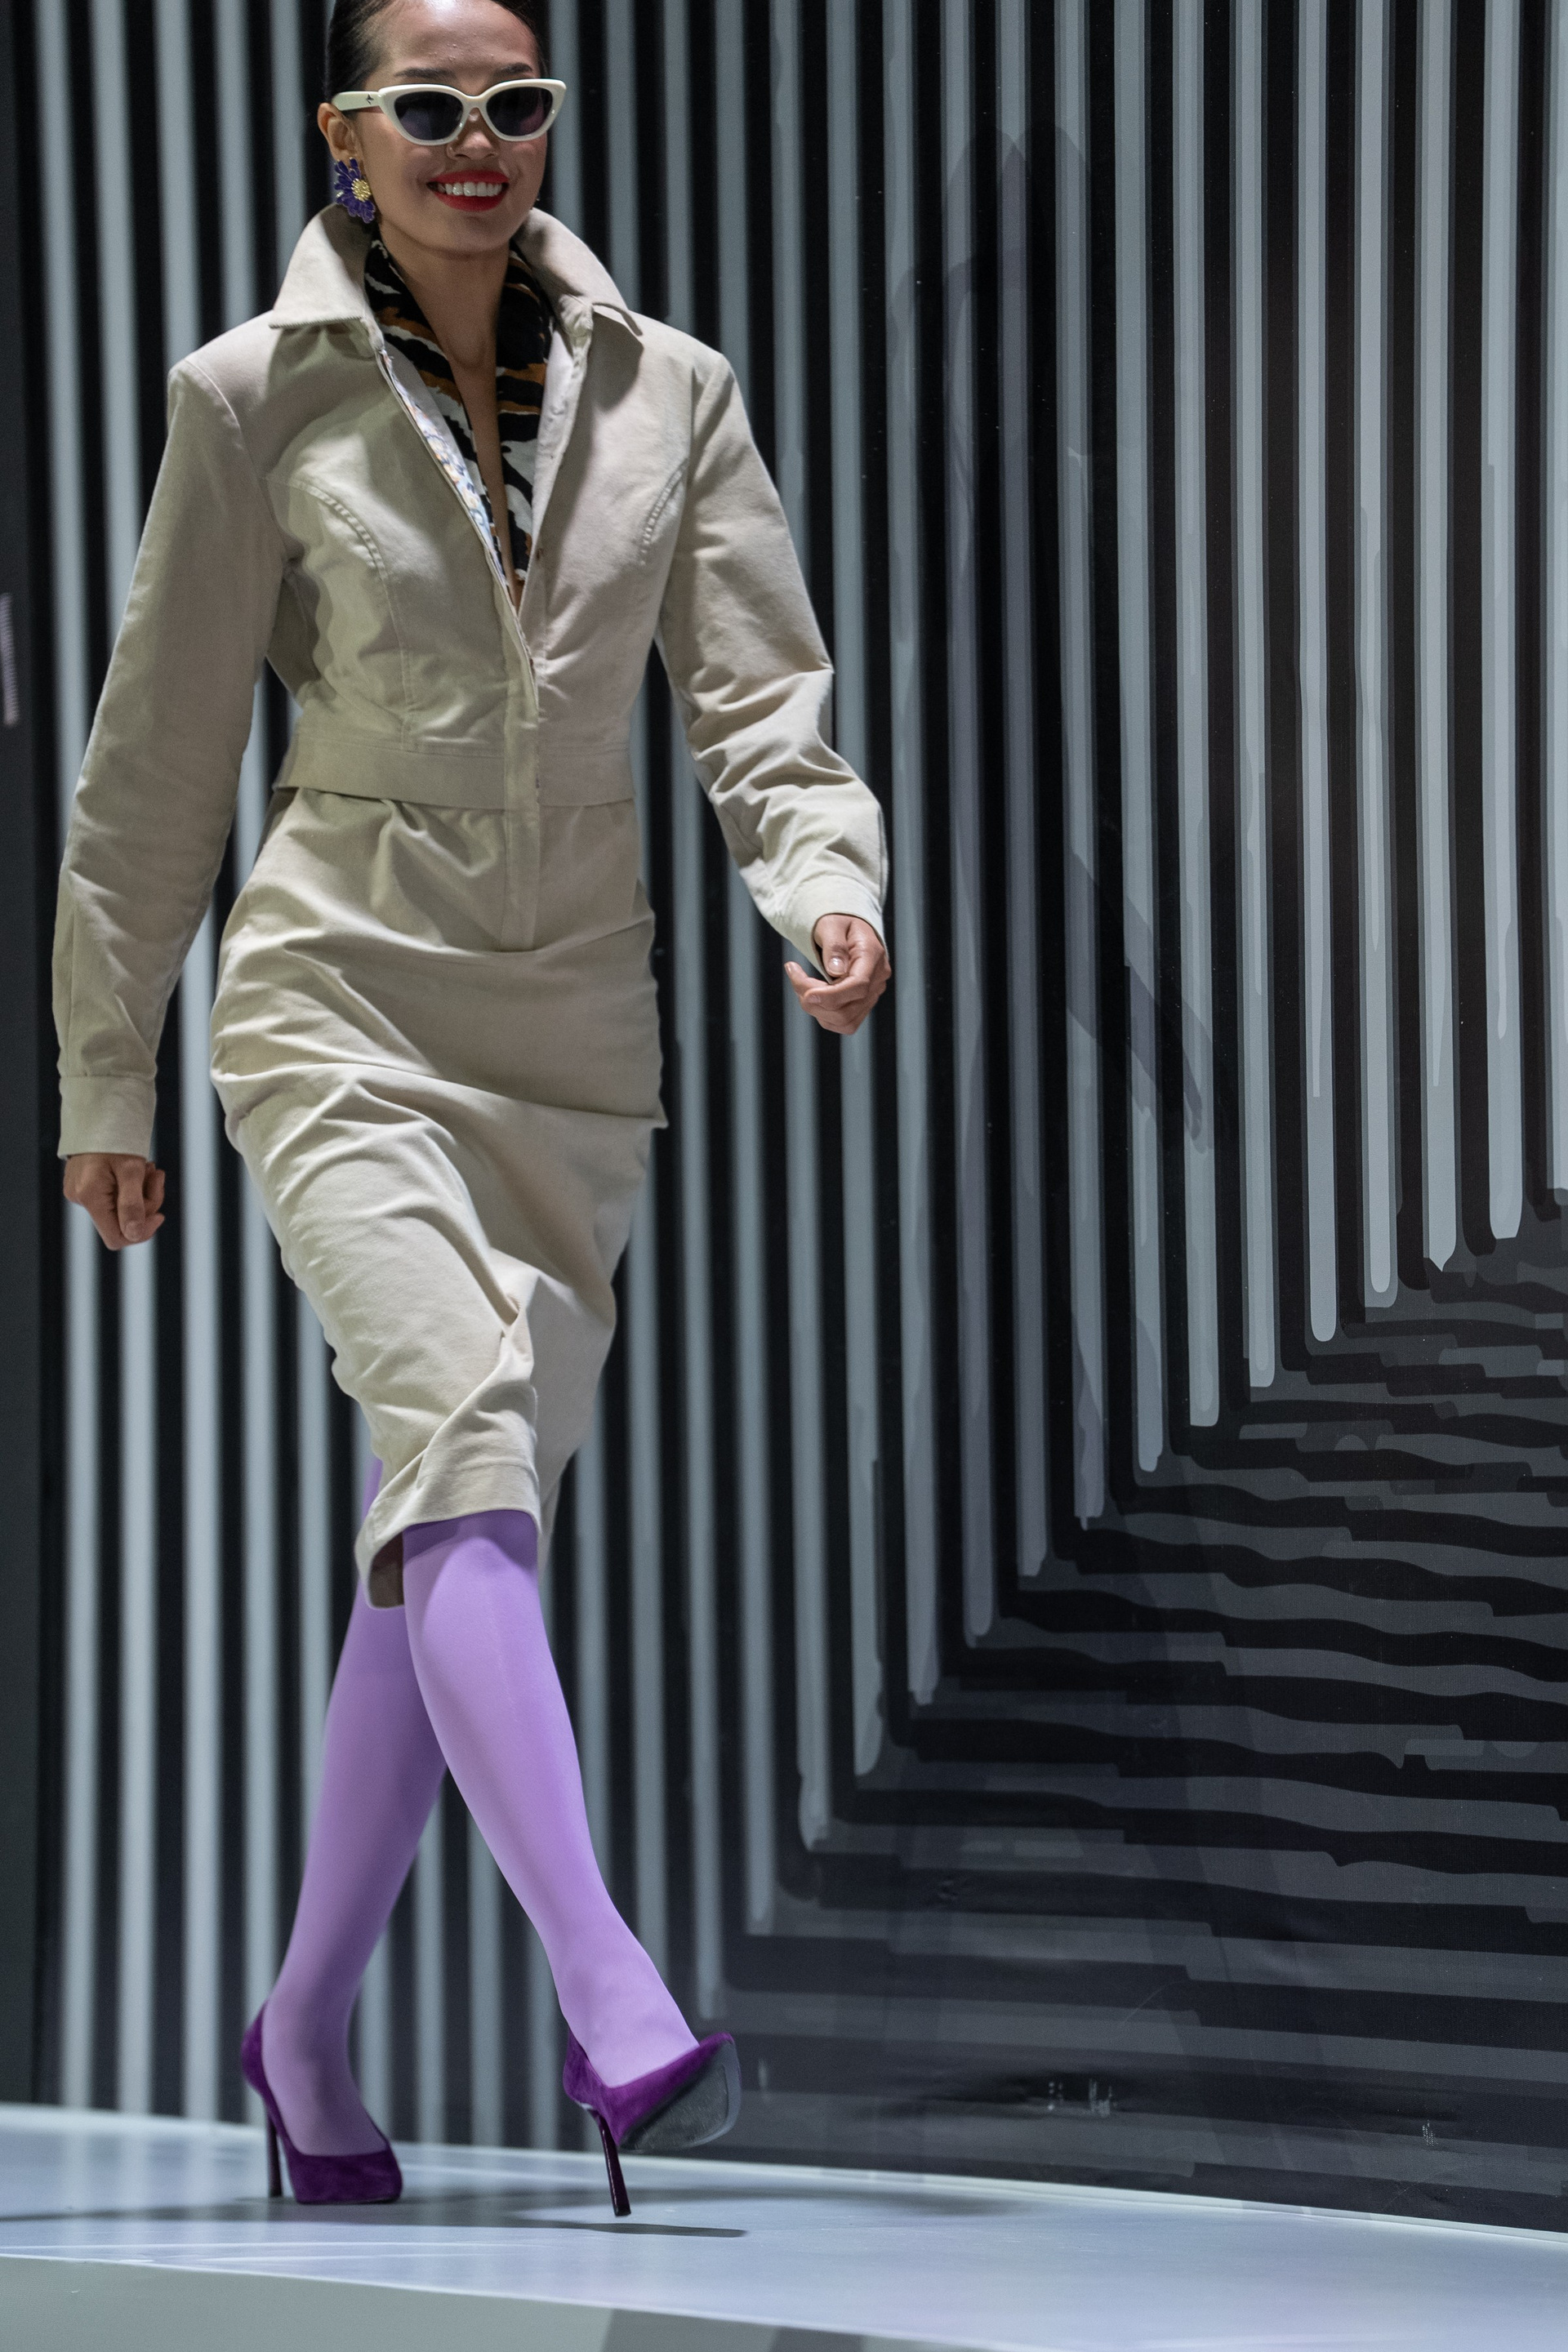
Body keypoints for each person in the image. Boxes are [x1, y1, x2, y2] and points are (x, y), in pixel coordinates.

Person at [53, 0, 889, 2213]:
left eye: (516, 102)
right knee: (463, 1451)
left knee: (441, 1519)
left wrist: (826, 884)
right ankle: (612, 1996)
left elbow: (762, 708)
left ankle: (304, 2028)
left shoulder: (671, 388)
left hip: (573, 1033)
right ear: (346, 132)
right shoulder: (251, 397)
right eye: (430, 104)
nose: (479, 139)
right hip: (337, 993)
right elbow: (154, 766)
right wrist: (103, 1062)